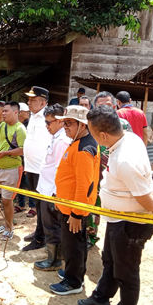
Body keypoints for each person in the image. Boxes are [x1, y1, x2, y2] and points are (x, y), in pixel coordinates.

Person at [78, 105, 153, 305]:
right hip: (117, 218)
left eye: (91, 132)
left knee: (127, 272)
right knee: (109, 260)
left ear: (103, 134)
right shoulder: (127, 139)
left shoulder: (126, 159)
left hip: (131, 224)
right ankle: (101, 298)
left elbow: (144, 197)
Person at [49, 105, 99, 295]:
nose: (65, 127)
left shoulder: (84, 148)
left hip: (74, 209)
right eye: (64, 122)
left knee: (73, 245)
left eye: (69, 123)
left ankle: (74, 281)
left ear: (82, 125)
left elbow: (84, 185)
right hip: (68, 205)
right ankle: (74, 272)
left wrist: (77, 213)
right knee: (74, 243)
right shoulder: (78, 142)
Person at [87, 92, 133, 246]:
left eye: (107, 105)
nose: (104, 109)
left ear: (114, 107)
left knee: (116, 211)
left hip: (115, 175)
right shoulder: (90, 126)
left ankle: (115, 242)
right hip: (95, 173)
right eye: (100, 106)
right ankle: (91, 236)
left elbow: (129, 148)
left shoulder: (124, 125)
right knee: (93, 205)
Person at [33, 103, 71, 271]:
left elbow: (60, 170)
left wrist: (56, 193)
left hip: (52, 192)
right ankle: (55, 256)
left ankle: (53, 260)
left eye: (49, 122)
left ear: (60, 121)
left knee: (51, 226)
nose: (46, 126)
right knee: (50, 225)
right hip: (47, 189)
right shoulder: (56, 137)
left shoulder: (62, 141)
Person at [22, 86, 53, 251]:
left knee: (43, 204)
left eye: (33, 100)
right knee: (36, 203)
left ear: (43, 102)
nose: (29, 102)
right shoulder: (33, 117)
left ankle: (41, 237)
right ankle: (38, 232)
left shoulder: (48, 118)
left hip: (42, 169)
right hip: (32, 167)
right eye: (29, 100)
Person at [0, 101, 27, 241]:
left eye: (6, 111)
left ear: (15, 112)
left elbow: (23, 150)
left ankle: (9, 228)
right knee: (2, 199)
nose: (4, 113)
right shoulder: (2, 125)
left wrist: (5, 153)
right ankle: (6, 223)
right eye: (3, 111)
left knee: (7, 200)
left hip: (12, 169)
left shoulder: (20, 130)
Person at [15, 102, 35, 215]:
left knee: (30, 182)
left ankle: (33, 206)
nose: (28, 113)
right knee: (20, 181)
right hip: (18, 157)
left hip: (29, 157)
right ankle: (21, 204)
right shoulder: (16, 125)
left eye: (28, 111)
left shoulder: (30, 124)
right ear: (19, 113)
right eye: (25, 111)